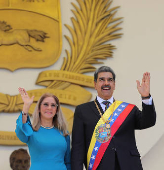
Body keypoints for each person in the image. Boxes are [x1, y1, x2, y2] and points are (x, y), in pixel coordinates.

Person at [71, 66, 156, 170]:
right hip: (100, 166)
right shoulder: (82, 110)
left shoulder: (128, 109)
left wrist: (146, 97)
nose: (106, 83)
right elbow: (78, 148)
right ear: (95, 84)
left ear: (114, 85)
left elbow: (148, 122)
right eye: (101, 80)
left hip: (129, 165)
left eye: (110, 80)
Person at [15, 87, 71, 170]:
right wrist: (26, 107)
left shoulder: (64, 133)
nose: (49, 108)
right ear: (39, 109)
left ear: (56, 110)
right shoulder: (30, 131)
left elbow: (68, 161)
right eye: (45, 104)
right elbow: (21, 132)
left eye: (53, 105)